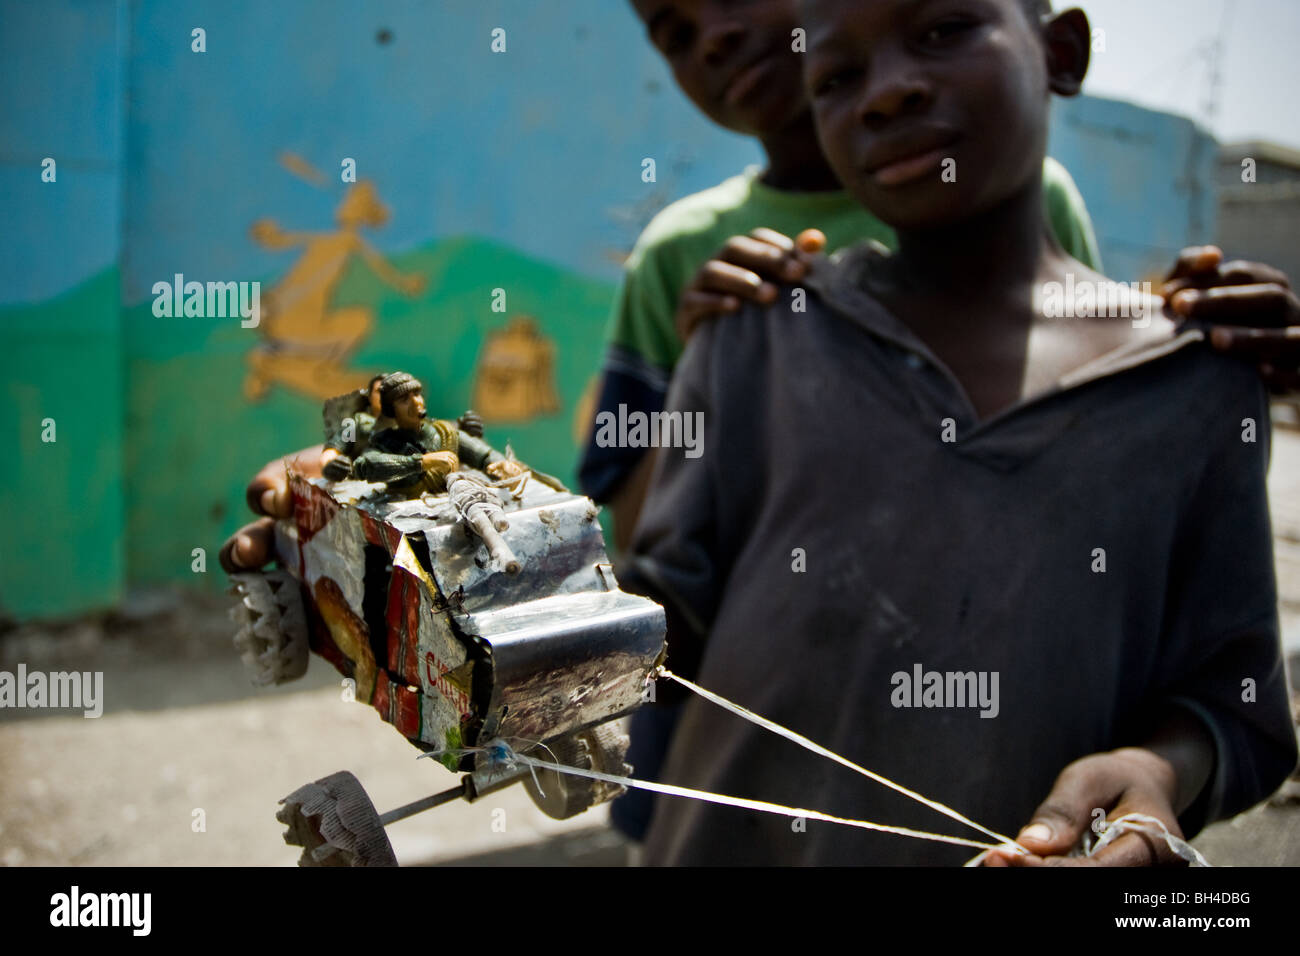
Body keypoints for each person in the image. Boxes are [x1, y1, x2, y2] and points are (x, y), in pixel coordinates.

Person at [594, 0, 1300, 851]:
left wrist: (1158, 775)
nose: (886, 93)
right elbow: (663, 623)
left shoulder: (1195, 388)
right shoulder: (752, 333)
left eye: (942, 30)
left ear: (1061, 52)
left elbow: (1236, 707)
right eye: (839, 77)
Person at [352, 372, 525, 497]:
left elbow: (482, 454)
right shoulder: (385, 441)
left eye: (417, 395)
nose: (415, 402)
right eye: (404, 400)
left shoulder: (443, 433)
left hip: (451, 508)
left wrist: (500, 463)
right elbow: (366, 466)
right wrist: (422, 462)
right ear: (392, 410)